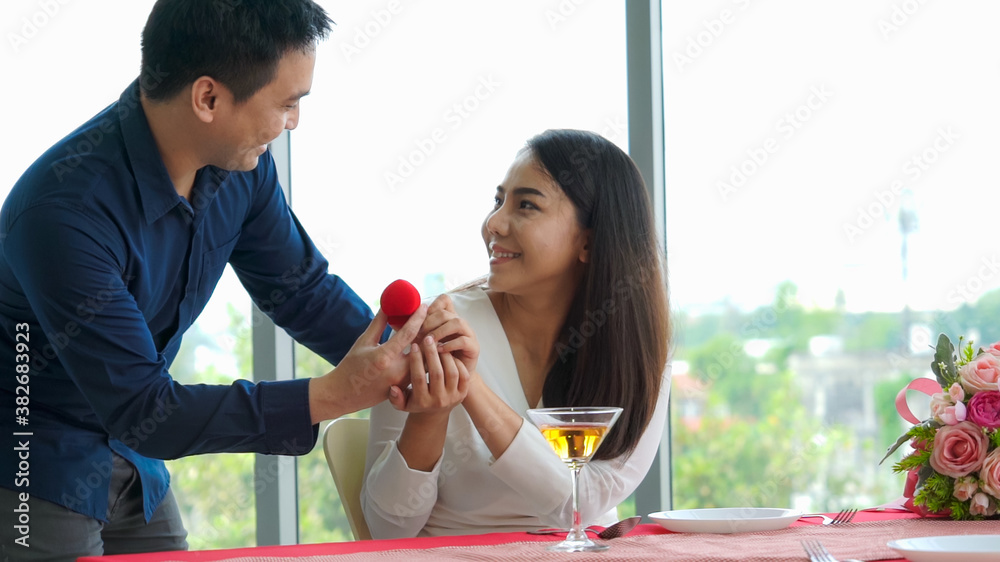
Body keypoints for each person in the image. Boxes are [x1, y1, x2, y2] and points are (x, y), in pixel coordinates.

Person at [0, 1, 426, 559]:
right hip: (33, 462)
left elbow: (299, 290)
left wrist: (410, 350)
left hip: (137, 456)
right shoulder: (63, 212)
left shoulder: (238, 169)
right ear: (208, 98)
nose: (293, 122)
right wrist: (333, 395)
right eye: (287, 103)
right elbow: (144, 408)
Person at [362, 129, 672, 538]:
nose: (494, 223)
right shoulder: (431, 331)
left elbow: (580, 506)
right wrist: (429, 418)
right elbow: (389, 529)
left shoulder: (636, 348)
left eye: (526, 205)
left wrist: (471, 388)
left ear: (589, 242)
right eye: (497, 201)